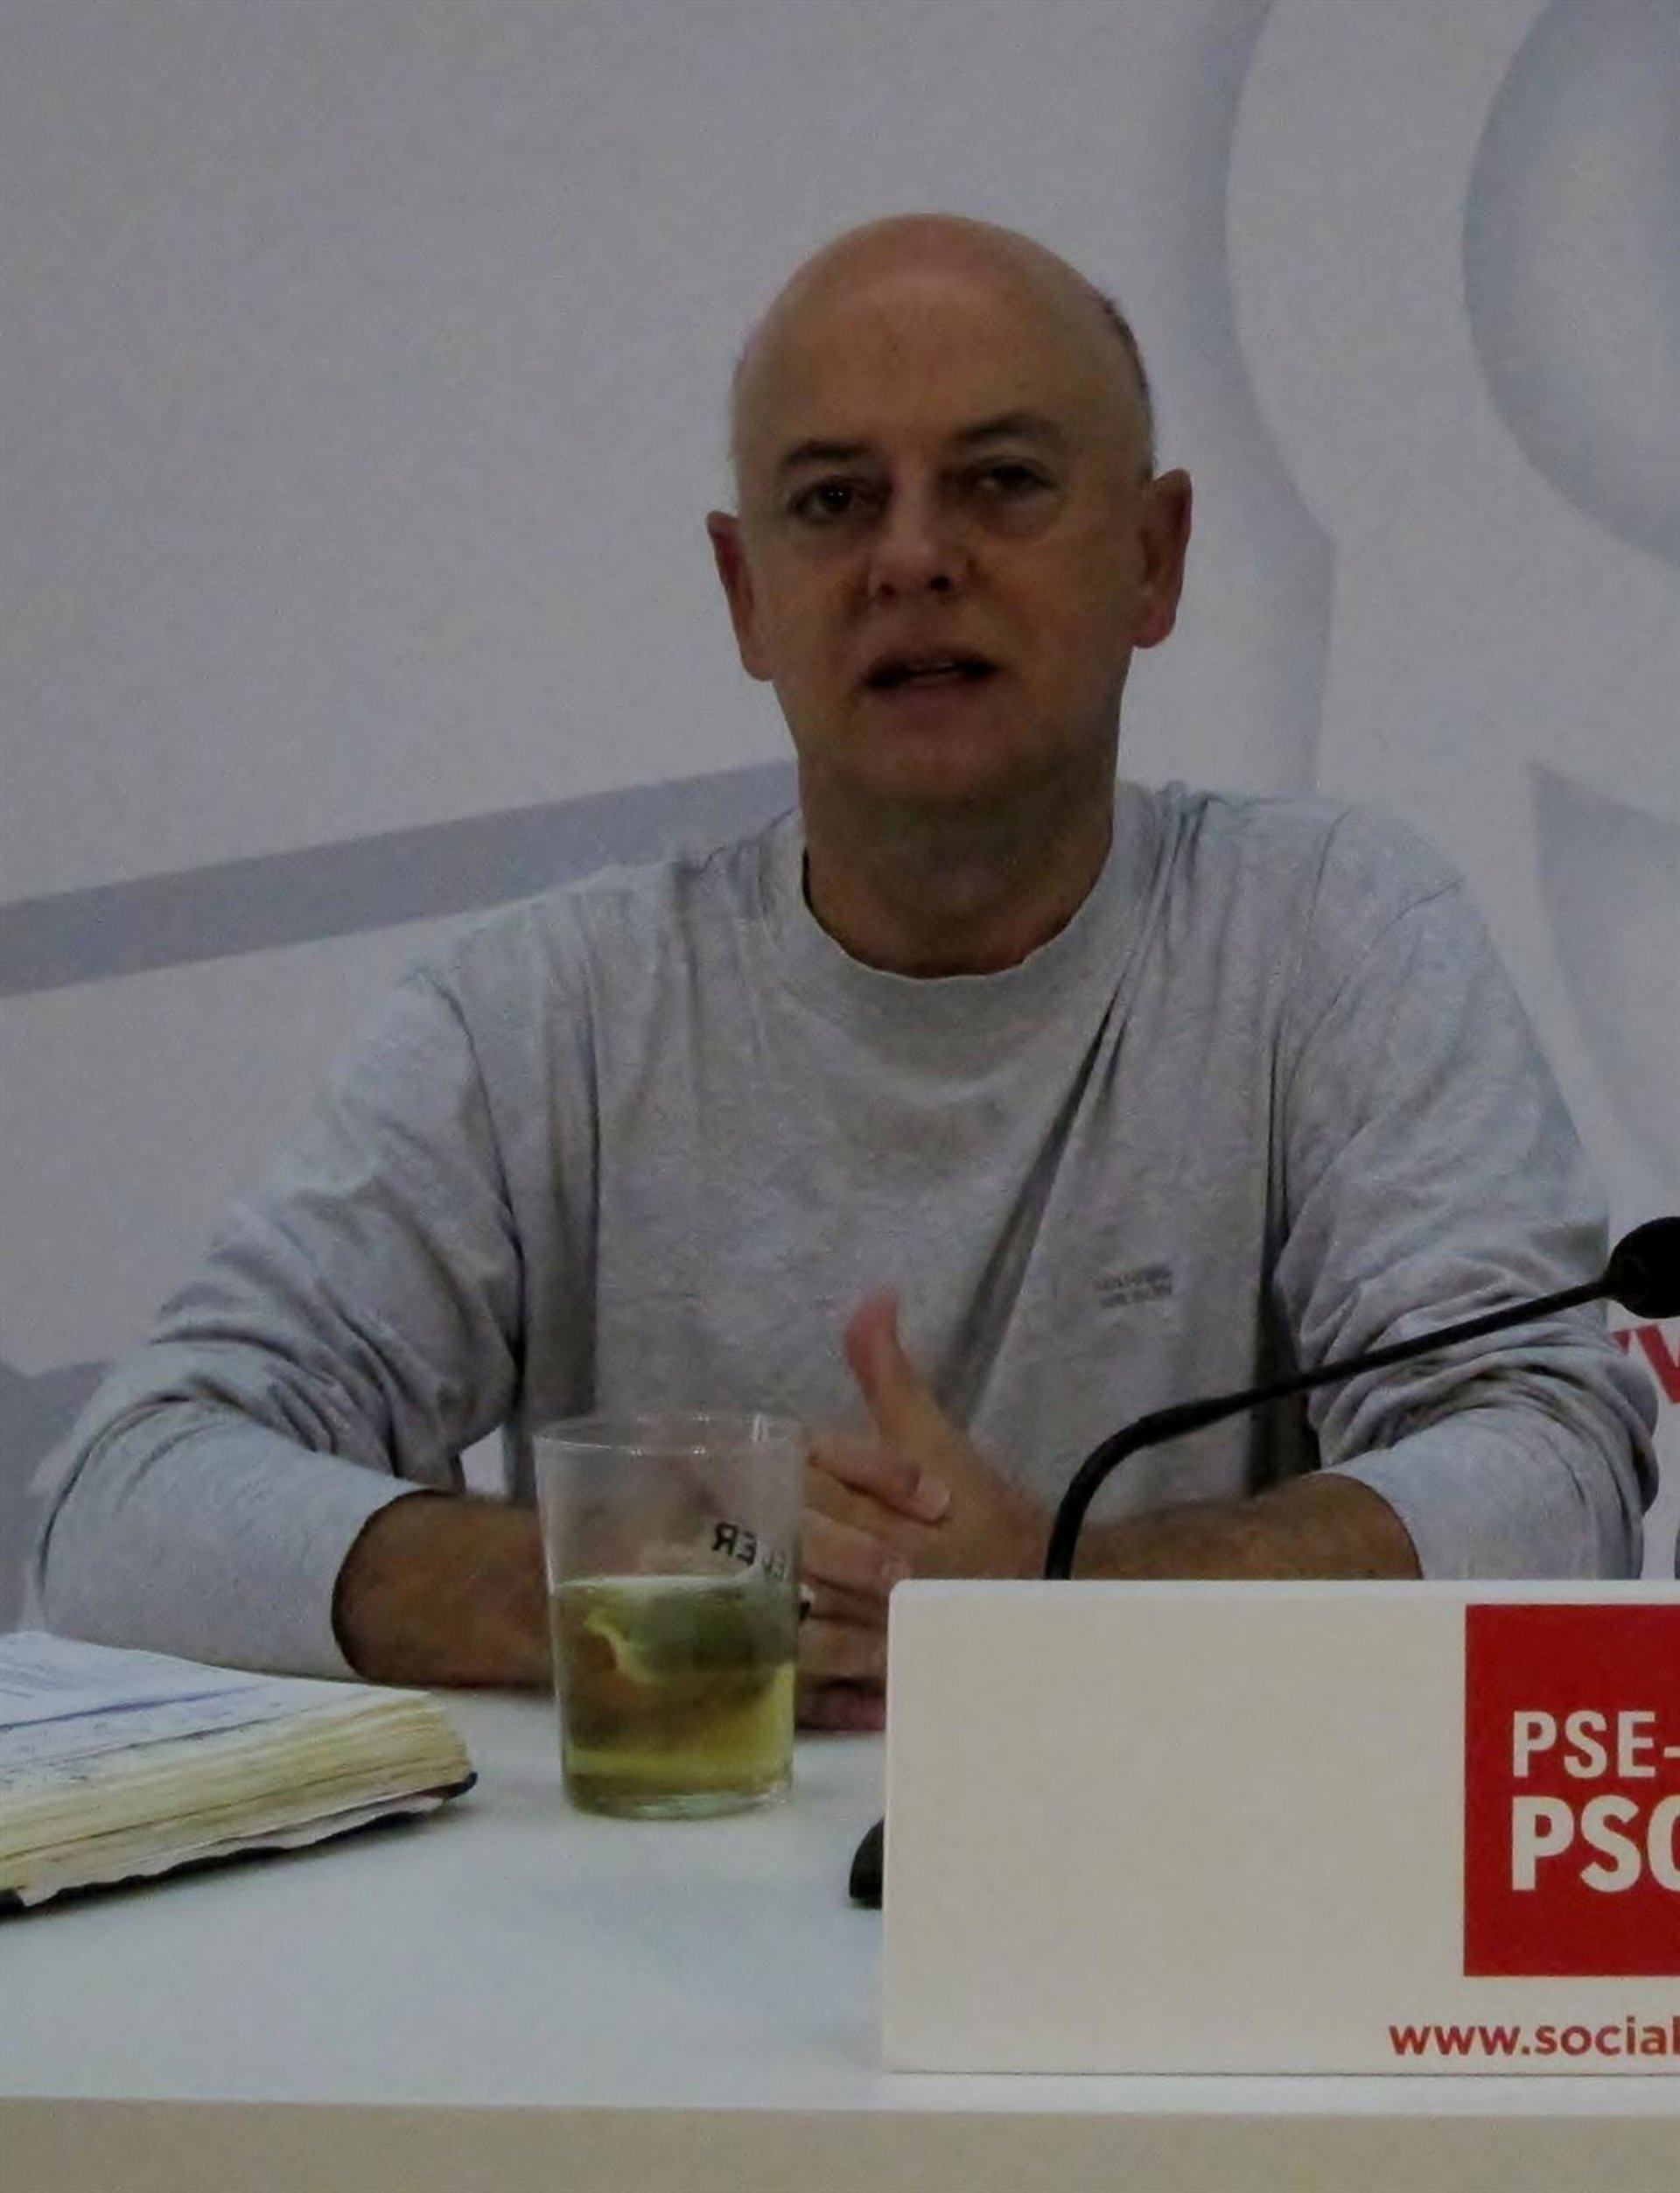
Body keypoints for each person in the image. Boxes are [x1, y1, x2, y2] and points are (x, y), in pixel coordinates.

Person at [32, 215, 1656, 1730]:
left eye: (1002, 482)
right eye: (832, 502)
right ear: (748, 596)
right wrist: (639, 1569)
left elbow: (1551, 1474)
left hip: (1185, 1888)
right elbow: (126, 1499)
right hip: (644, 1910)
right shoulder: (545, 1014)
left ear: (1154, 558)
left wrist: (1064, 1603)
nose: (914, 558)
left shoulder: (1331, 939)